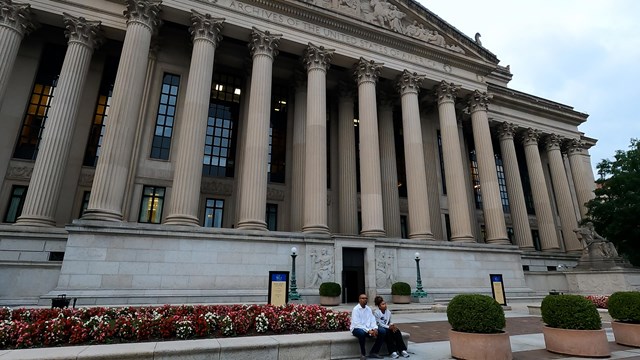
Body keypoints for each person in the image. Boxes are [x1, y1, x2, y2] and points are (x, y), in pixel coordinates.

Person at [351, 293, 386, 359]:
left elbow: (372, 320)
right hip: (356, 328)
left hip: (368, 328)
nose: (365, 300)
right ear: (359, 300)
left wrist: (375, 328)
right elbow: (357, 324)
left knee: (382, 331)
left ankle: (374, 352)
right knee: (361, 333)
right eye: (363, 298)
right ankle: (363, 354)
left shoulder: (368, 309)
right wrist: (368, 331)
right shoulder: (356, 309)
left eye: (366, 298)